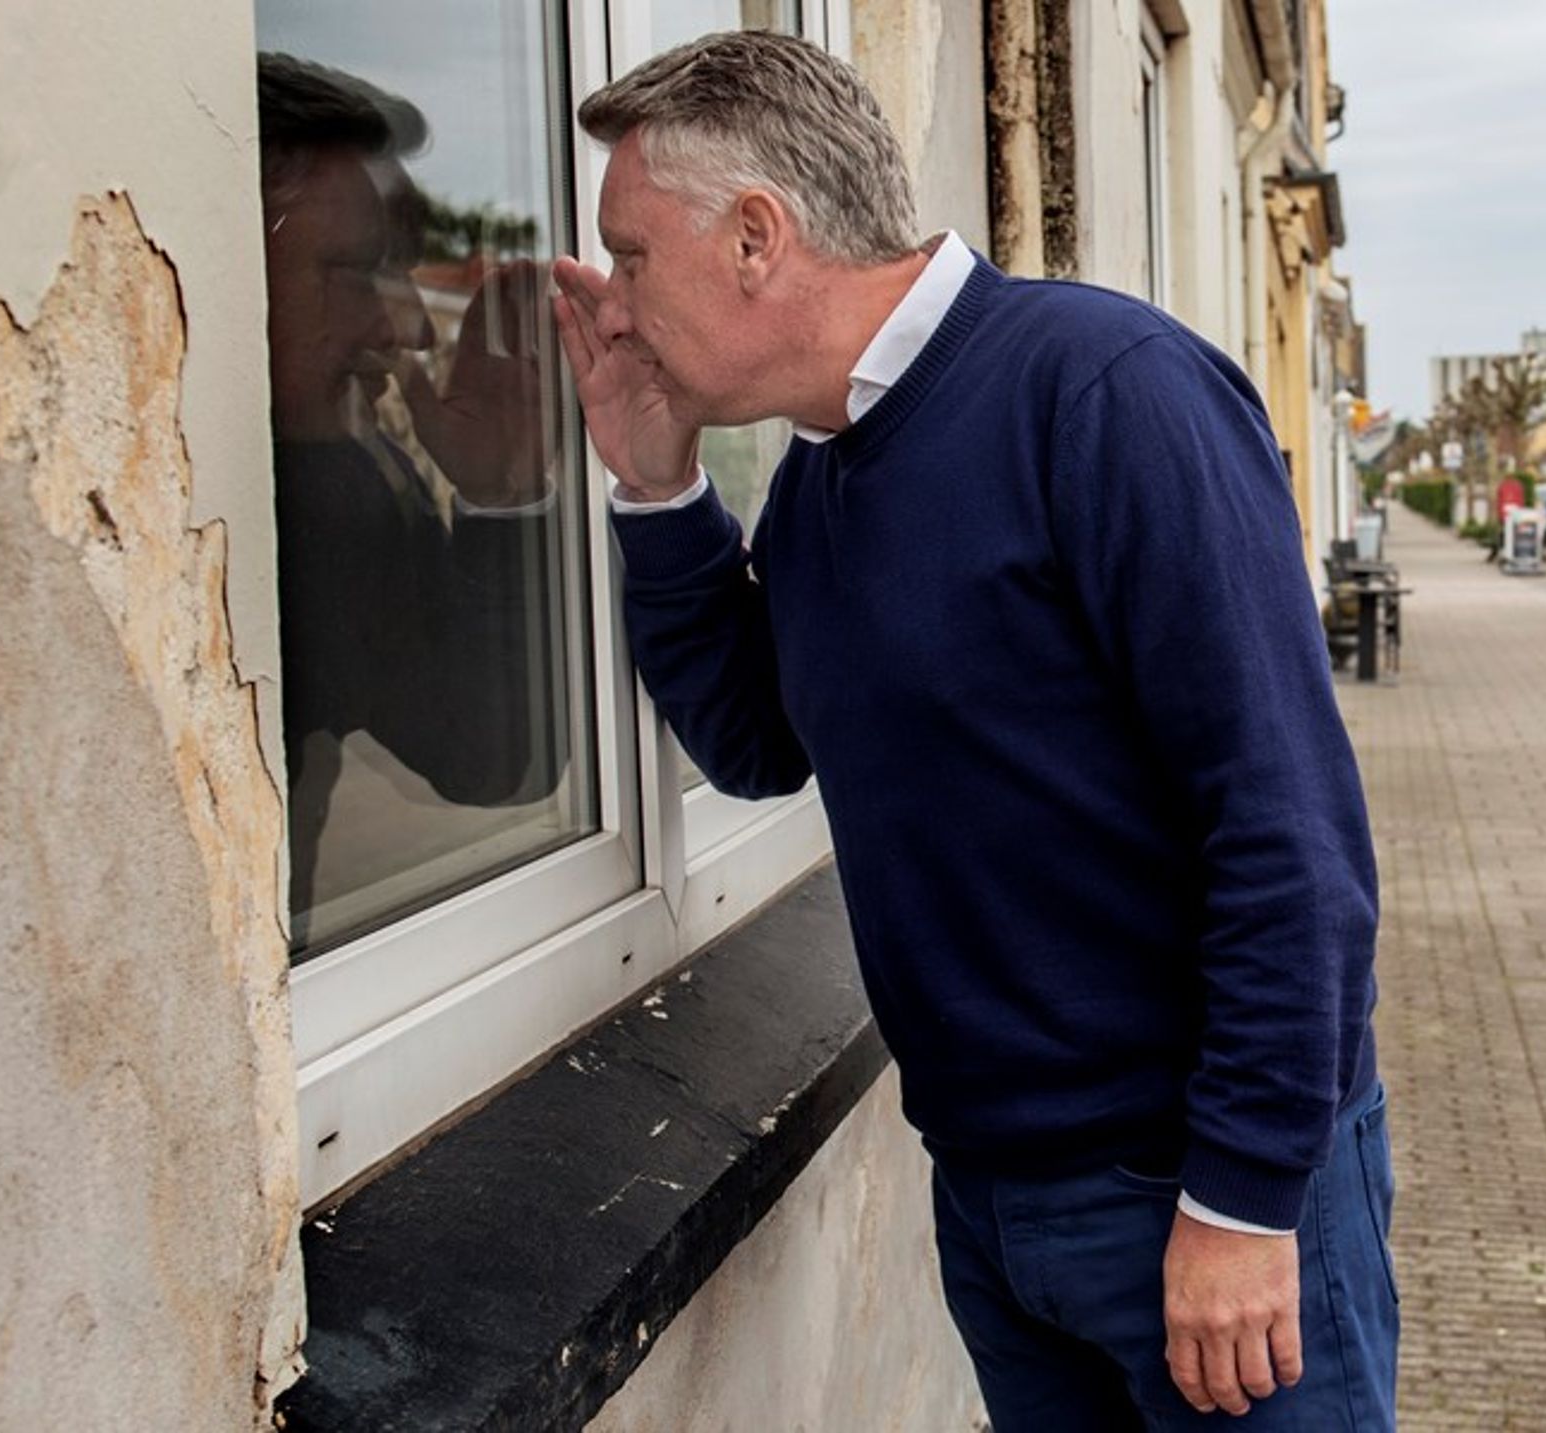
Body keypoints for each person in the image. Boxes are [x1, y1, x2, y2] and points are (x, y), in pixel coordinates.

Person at [552, 33, 1392, 1429]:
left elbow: (1288, 832)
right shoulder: (824, 476)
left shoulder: (1109, 394)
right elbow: (760, 743)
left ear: (756, 236)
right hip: (999, 1204)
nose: (620, 309)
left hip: (1201, 1195)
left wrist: (1243, 1197)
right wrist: (656, 490)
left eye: (633, 259)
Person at [257, 54, 568, 941]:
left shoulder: (345, 480)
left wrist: (501, 496)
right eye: (359, 271)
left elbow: (490, 756)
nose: (413, 327)